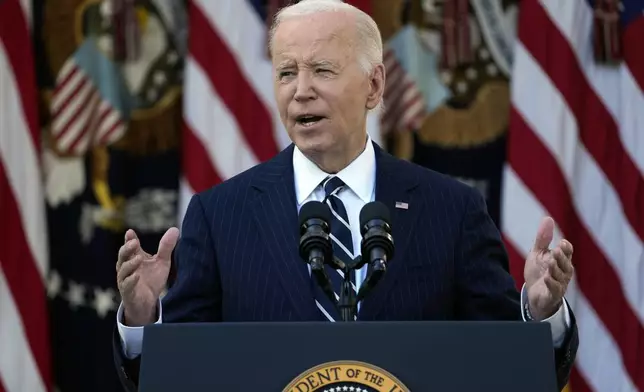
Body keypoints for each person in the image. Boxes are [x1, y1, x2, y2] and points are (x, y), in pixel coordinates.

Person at [113, 0, 578, 390]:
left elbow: (504, 367)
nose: (300, 92)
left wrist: (539, 318)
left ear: (374, 86)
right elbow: (179, 375)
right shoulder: (220, 214)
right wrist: (141, 321)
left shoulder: (451, 210)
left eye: (322, 70)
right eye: (286, 73)